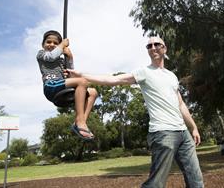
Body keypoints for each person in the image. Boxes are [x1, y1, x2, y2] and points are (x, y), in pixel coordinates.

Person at [68, 36, 204, 188]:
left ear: (164, 48)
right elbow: (114, 80)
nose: (153, 47)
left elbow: (181, 104)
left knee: (196, 179)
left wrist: (193, 127)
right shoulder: (144, 72)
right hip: (163, 133)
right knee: (156, 184)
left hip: (183, 133)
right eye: (149, 46)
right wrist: (81, 75)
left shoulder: (172, 76)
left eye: (156, 44)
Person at [36, 30, 97, 140]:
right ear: (43, 44)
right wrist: (62, 45)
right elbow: (51, 57)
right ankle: (81, 122)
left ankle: (80, 121)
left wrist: (69, 57)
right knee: (82, 81)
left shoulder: (61, 61)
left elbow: (71, 73)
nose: (52, 45)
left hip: (61, 86)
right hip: (51, 87)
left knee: (93, 92)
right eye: (48, 42)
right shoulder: (41, 54)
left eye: (55, 43)